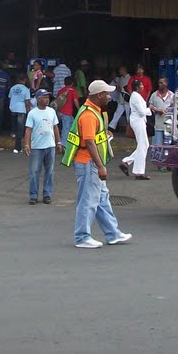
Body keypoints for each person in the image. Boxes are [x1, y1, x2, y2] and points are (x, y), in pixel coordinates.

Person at [66, 79, 132, 249]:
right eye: (107, 94)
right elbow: (89, 142)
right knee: (88, 200)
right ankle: (82, 237)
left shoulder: (93, 111)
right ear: (99, 95)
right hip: (88, 163)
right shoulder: (88, 115)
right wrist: (101, 166)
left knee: (102, 199)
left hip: (90, 163)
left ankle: (113, 234)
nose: (110, 97)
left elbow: (93, 137)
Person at [23, 89, 61, 205]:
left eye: (48, 97)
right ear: (39, 99)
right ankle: (33, 195)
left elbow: (55, 128)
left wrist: (58, 143)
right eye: (44, 97)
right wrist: (26, 144)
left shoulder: (51, 112)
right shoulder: (32, 113)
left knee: (49, 172)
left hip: (50, 146)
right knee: (34, 172)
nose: (47, 99)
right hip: (37, 147)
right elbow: (28, 130)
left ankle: (47, 195)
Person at [119, 79, 151, 179]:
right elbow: (141, 112)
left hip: (138, 121)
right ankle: (138, 172)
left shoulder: (135, 95)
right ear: (137, 87)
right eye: (141, 85)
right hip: (138, 121)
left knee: (144, 145)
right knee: (143, 145)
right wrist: (150, 109)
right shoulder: (136, 96)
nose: (143, 87)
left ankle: (127, 162)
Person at [7, 74, 32, 153]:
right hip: (21, 110)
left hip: (13, 109)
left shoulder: (12, 88)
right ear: (25, 80)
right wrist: (28, 111)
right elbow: (27, 101)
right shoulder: (26, 89)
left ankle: (13, 134)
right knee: (20, 130)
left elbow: (9, 98)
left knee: (14, 126)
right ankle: (17, 148)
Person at [148, 76, 174, 147]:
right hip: (157, 126)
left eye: (162, 83)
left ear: (166, 83)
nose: (160, 85)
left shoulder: (172, 95)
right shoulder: (154, 95)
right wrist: (158, 110)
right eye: (159, 83)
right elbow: (150, 106)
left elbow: (175, 107)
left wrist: (169, 110)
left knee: (168, 147)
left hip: (169, 127)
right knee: (157, 147)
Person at [54, 75, 78, 139]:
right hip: (67, 112)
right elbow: (75, 101)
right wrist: (79, 109)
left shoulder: (61, 90)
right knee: (66, 129)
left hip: (59, 112)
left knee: (72, 123)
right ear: (72, 83)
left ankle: (69, 140)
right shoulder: (73, 90)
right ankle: (63, 144)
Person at [108, 65, 131, 132]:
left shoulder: (130, 78)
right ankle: (111, 127)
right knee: (117, 113)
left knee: (128, 114)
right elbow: (119, 89)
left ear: (124, 70)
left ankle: (130, 129)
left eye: (120, 70)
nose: (119, 71)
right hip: (121, 99)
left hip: (127, 99)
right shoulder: (120, 79)